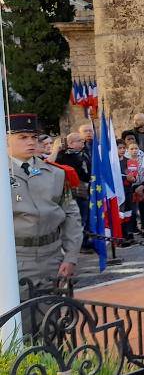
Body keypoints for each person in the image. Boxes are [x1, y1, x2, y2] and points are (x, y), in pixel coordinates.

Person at [8, 114, 83, 304]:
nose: (31, 142)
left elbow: (71, 215)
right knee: (21, 321)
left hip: (52, 256)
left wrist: (71, 256)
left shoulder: (55, 173)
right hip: (16, 259)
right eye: (22, 137)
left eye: (33, 137)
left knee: (53, 316)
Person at [56, 133, 93, 251]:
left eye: (83, 141)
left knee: (86, 217)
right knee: (78, 218)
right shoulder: (63, 156)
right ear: (71, 143)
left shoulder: (84, 154)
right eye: (79, 141)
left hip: (86, 188)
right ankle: (77, 244)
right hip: (73, 190)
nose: (82, 143)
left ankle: (85, 240)